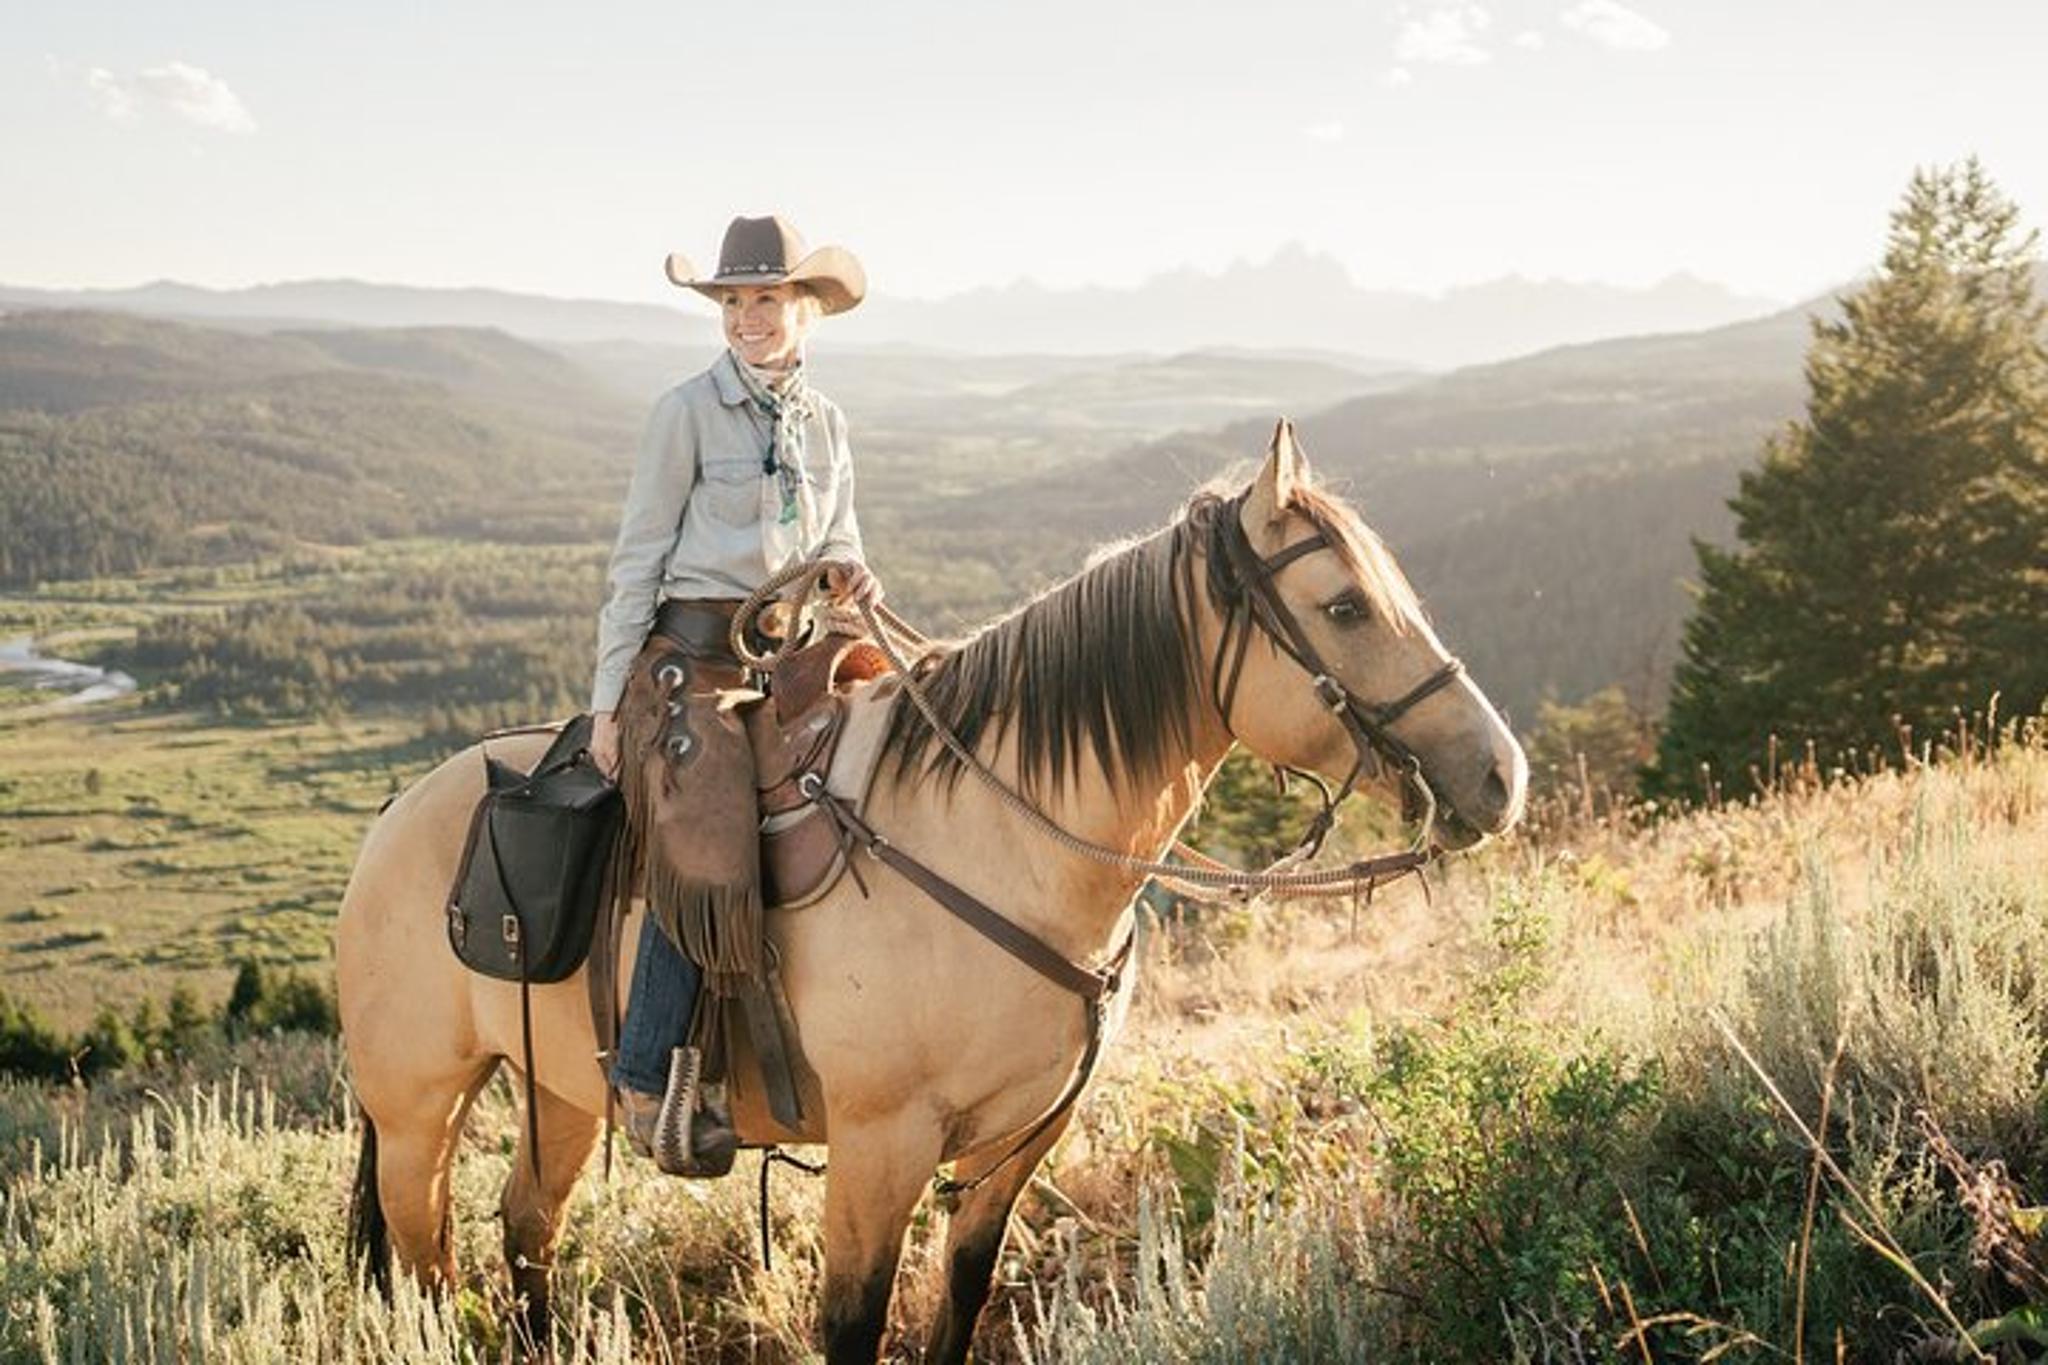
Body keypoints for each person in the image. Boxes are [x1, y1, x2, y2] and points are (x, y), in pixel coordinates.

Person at [589, 214, 881, 1172]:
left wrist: (847, 575)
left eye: (766, 299)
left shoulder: (827, 421)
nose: (747, 318)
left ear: (806, 311)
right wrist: (606, 705)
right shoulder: (685, 413)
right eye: (733, 301)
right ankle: (648, 1074)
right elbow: (638, 560)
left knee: (894, 763)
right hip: (692, 662)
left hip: (794, 649)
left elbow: (839, 539)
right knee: (708, 826)